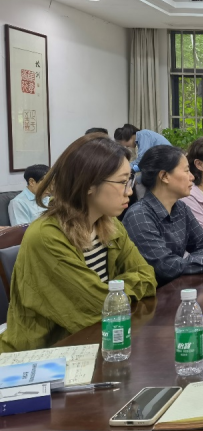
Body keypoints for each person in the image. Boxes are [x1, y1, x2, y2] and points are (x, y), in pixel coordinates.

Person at [0, 135, 156, 352]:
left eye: (129, 181)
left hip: (93, 341)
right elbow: (97, 307)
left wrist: (114, 294)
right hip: (44, 355)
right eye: (122, 182)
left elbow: (147, 276)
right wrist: (117, 292)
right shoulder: (47, 236)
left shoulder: (109, 224)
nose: (130, 191)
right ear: (89, 184)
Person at [123, 145, 203, 286]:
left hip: (181, 287)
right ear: (164, 176)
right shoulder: (139, 216)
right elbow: (166, 266)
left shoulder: (180, 207)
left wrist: (186, 264)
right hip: (156, 294)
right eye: (186, 171)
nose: (192, 177)